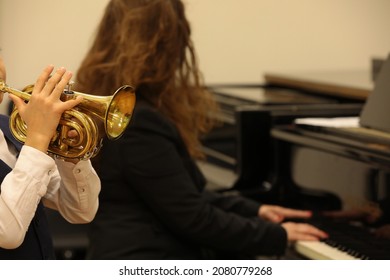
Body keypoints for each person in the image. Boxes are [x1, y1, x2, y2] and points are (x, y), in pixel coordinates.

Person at [75, 0, 327, 260]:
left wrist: (256, 211)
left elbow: (185, 196)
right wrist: (277, 235)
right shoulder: (137, 121)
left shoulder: (117, 107)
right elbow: (194, 218)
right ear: (164, 44)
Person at [0, 56, 101, 259]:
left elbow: (81, 211)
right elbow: (7, 233)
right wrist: (38, 138)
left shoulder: (10, 128)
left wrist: (70, 152)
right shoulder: (31, 136)